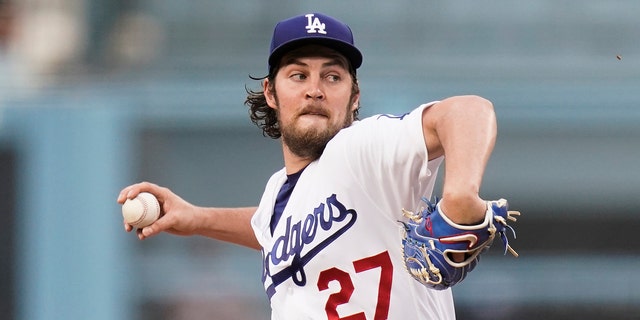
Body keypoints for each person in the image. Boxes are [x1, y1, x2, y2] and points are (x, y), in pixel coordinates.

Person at [118, 12, 503, 319]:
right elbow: (271, 228)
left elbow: (469, 111)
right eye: (298, 75)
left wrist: (460, 195)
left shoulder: (363, 148)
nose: (314, 89)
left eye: (332, 76)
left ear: (354, 96)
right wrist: (196, 217)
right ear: (271, 91)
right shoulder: (279, 193)